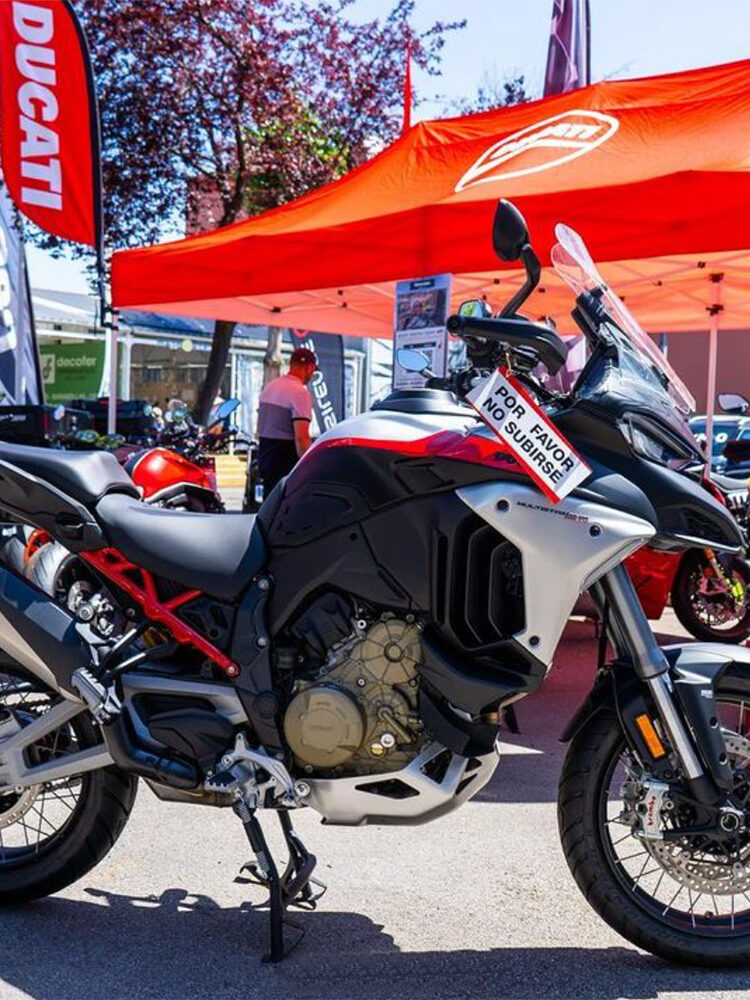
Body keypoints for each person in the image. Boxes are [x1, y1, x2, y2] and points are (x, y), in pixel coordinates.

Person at [256, 347, 317, 496]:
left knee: (269, 504)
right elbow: (301, 438)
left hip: (265, 456)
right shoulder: (300, 393)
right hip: (284, 461)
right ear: (309, 367)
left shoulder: (269, 387)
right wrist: (312, 466)